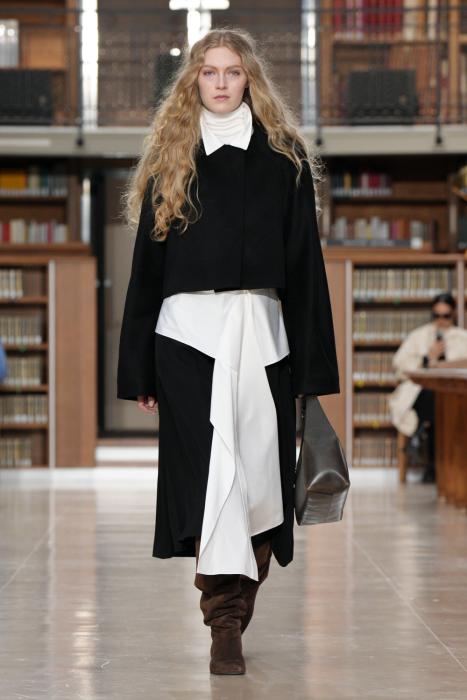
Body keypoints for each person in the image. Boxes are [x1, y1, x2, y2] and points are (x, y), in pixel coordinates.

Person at [117, 28, 340, 675]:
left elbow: (304, 268)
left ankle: (234, 607)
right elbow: (146, 271)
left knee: (260, 483)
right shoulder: (172, 156)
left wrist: (311, 371)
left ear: (249, 79)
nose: (220, 83)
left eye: (232, 71)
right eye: (209, 71)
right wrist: (139, 369)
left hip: (264, 339)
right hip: (186, 340)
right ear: (194, 80)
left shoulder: (283, 158)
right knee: (212, 482)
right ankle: (225, 622)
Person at [389, 292, 467, 483]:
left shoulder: (462, 337)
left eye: (445, 316)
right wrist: (427, 358)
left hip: (456, 394)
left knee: (446, 405)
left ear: (453, 314)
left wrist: (443, 364)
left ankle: (437, 462)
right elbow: (399, 364)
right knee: (436, 402)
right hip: (422, 394)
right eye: (436, 315)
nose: (441, 320)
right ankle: (437, 465)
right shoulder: (419, 336)